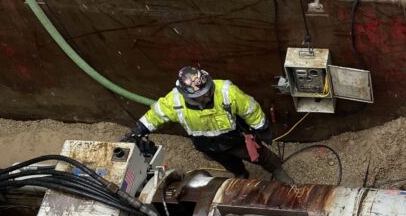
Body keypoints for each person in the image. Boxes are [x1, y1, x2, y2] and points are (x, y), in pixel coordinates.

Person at [125, 66, 292, 183]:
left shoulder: (227, 91)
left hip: (235, 139)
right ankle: (240, 174)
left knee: (260, 155)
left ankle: (277, 171)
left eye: (207, 92)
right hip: (207, 145)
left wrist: (261, 127)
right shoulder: (174, 100)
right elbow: (156, 115)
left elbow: (250, 109)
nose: (206, 98)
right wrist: (138, 129)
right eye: (200, 97)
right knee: (228, 163)